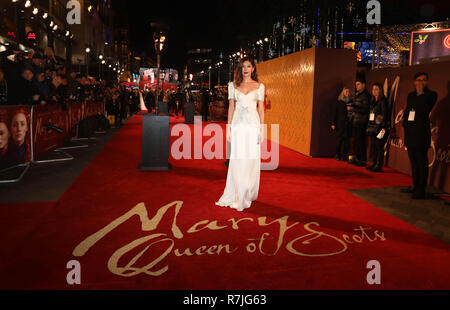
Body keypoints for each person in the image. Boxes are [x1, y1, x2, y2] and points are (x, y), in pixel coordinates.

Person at [215, 57, 265, 212]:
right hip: (237, 126)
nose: (245, 69)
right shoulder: (233, 85)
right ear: (240, 68)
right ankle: (238, 193)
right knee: (238, 160)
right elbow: (230, 108)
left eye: (248, 66)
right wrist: (228, 128)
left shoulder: (259, 86)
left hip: (252, 126)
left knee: (250, 160)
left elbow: (261, 109)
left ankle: (247, 192)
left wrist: (262, 129)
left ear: (253, 69)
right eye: (243, 66)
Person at [401, 72, 438, 199]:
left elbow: (424, 109)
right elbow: (408, 111)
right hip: (410, 133)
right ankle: (415, 185)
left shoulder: (431, 95)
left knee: (422, 162)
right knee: (413, 161)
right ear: (414, 82)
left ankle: (421, 189)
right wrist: (404, 124)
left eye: (424, 80)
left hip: (421, 134)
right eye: (419, 80)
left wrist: (421, 93)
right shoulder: (411, 95)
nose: (421, 82)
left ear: (427, 82)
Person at [366, 83, 389, 172]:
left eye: (376, 89)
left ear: (380, 91)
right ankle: (374, 163)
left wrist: (383, 126)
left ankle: (379, 165)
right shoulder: (372, 101)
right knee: (374, 146)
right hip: (372, 127)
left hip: (380, 128)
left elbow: (384, 114)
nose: (374, 91)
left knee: (379, 146)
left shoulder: (383, 101)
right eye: (373, 89)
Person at [348, 77, 370, 167]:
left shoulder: (366, 96)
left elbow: (365, 109)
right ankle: (357, 158)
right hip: (356, 121)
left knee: (361, 141)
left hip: (362, 121)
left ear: (364, 85)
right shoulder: (358, 95)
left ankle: (363, 160)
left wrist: (353, 108)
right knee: (356, 141)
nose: (357, 86)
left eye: (358, 84)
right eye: (356, 84)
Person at [331, 87, 353, 161]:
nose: (347, 93)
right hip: (340, 124)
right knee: (339, 140)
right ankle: (337, 155)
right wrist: (333, 123)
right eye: (346, 92)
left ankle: (344, 156)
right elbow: (335, 113)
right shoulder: (339, 102)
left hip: (349, 124)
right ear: (343, 93)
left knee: (347, 142)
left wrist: (351, 109)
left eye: (348, 92)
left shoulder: (351, 102)